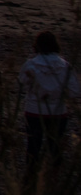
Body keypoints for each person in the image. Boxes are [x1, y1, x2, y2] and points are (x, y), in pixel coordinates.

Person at [19, 30, 80, 183]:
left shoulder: (31, 64)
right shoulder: (65, 65)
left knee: (33, 144)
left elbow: (21, 82)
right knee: (55, 145)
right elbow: (75, 91)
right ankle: (54, 178)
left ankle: (31, 176)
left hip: (34, 110)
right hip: (58, 111)